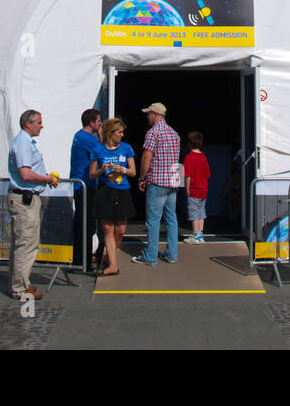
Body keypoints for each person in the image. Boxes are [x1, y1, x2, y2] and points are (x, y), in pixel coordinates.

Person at [7, 109, 60, 300]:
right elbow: (25, 174)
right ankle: (20, 288)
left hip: (26, 197)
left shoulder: (25, 142)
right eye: (38, 122)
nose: (41, 125)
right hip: (24, 198)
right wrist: (46, 179)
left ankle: (21, 283)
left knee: (24, 243)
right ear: (28, 123)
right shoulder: (23, 143)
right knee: (26, 244)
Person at [133, 102, 181, 266]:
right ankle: (172, 253)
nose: (147, 117)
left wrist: (142, 178)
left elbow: (147, 157)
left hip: (157, 181)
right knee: (171, 218)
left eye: (148, 114)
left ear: (154, 114)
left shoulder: (153, 133)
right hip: (173, 182)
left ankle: (150, 256)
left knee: (153, 220)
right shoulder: (174, 134)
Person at [87, 118, 136, 276]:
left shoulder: (126, 148)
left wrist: (122, 169)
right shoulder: (98, 150)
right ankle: (113, 265)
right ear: (110, 133)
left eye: (122, 132)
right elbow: (92, 174)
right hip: (105, 190)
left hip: (122, 190)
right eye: (119, 132)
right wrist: (103, 169)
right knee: (108, 228)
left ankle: (110, 255)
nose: (122, 135)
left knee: (120, 230)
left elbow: (133, 172)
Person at [69, 109, 103, 271]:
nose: (100, 124)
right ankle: (83, 261)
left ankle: (80, 259)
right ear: (91, 123)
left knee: (84, 222)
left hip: (84, 185)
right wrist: (102, 136)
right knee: (86, 224)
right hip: (84, 186)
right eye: (98, 121)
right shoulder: (87, 138)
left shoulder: (80, 136)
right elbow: (102, 153)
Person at [183, 131, 211, 243]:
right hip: (203, 188)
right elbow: (207, 174)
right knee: (201, 212)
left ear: (189, 144)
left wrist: (187, 187)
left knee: (194, 213)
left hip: (194, 189)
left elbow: (188, 175)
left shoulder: (189, 158)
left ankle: (195, 235)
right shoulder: (203, 157)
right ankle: (200, 235)